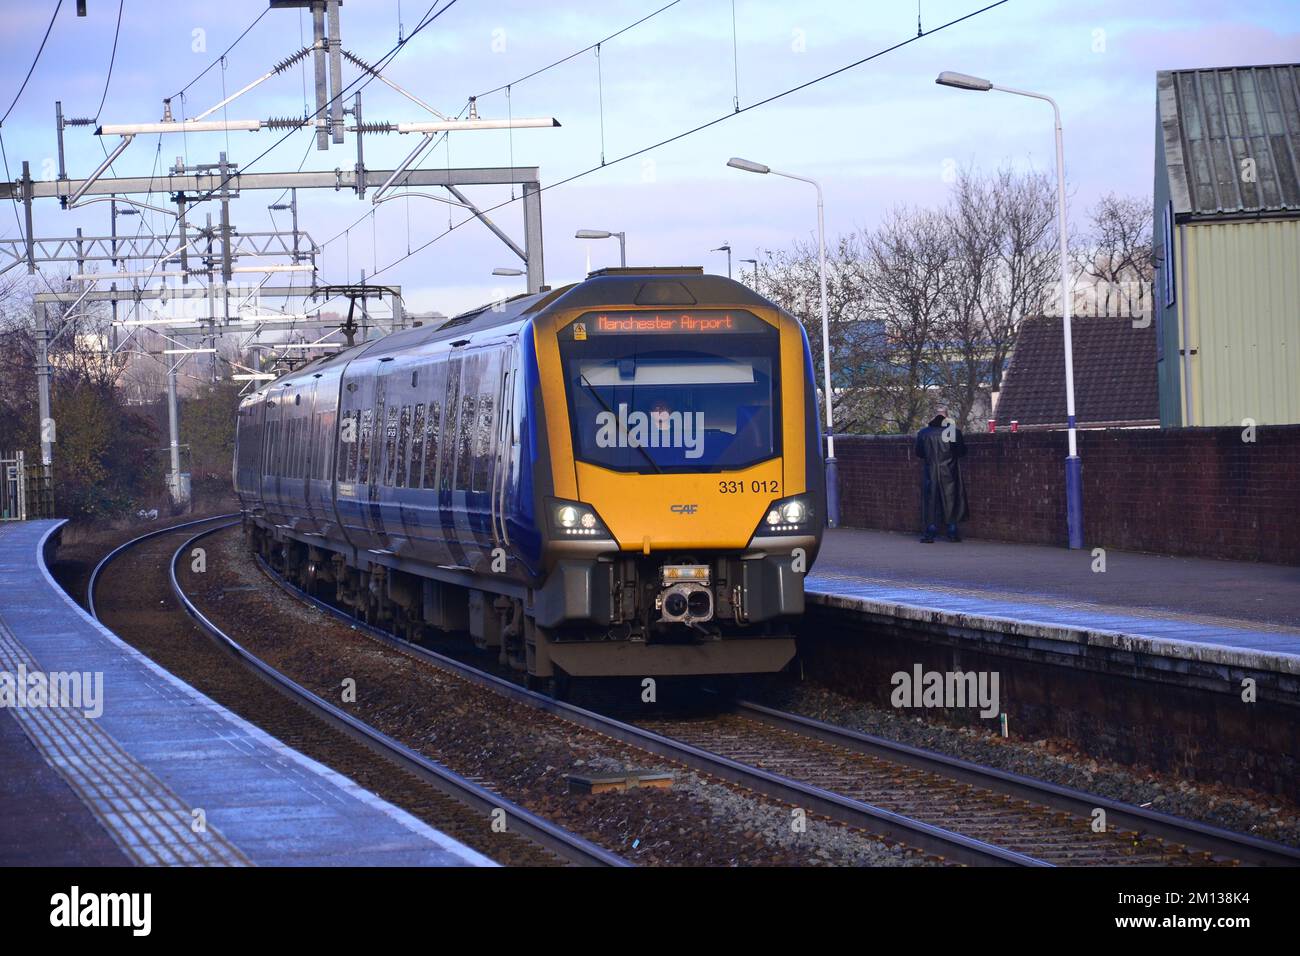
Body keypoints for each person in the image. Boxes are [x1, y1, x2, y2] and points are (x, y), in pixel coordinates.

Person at [914, 406, 968, 543]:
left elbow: (919, 453)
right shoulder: (953, 432)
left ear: (934, 416)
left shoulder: (923, 433)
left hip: (930, 471)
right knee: (951, 501)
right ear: (946, 416)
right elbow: (961, 451)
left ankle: (930, 533)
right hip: (949, 472)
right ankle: (952, 532)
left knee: (930, 502)